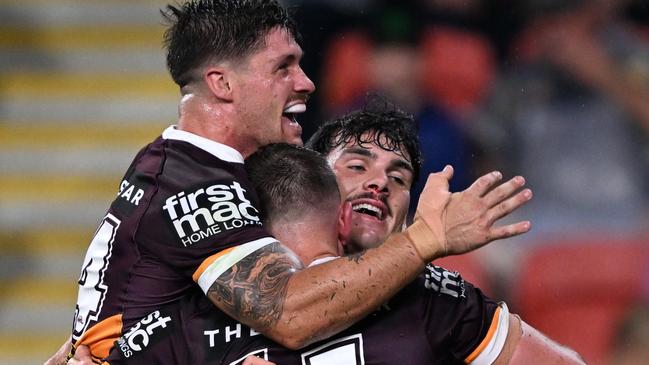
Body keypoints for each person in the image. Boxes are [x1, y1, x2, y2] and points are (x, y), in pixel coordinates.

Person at [46, 1, 533, 364]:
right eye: (283, 67)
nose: (307, 82)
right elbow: (290, 314)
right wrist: (427, 238)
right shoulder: (194, 183)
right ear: (222, 84)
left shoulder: (195, 168)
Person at [97, 107, 576, 365]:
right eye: (357, 164)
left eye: (399, 177)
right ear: (309, 178)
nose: (379, 182)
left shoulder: (437, 299)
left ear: (408, 218)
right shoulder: (219, 286)